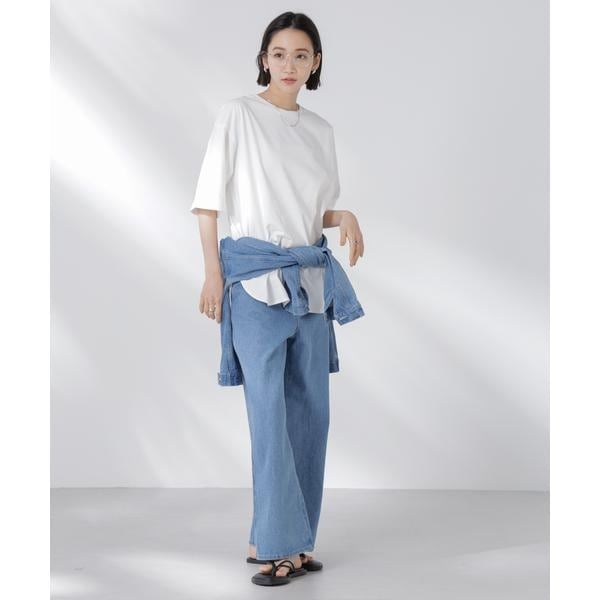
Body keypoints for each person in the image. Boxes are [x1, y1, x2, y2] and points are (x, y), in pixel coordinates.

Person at [190, 11, 365, 587]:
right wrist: (213, 274)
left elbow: (310, 211)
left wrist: (342, 215)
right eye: (279, 53)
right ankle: (277, 547)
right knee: (268, 417)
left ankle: (292, 538)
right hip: (254, 283)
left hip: (308, 287)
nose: (289, 64)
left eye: (301, 54)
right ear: (264, 58)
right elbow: (209, 202)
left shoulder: (321, 131)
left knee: (310, 416)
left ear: (316, 63)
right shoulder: (238, 115)